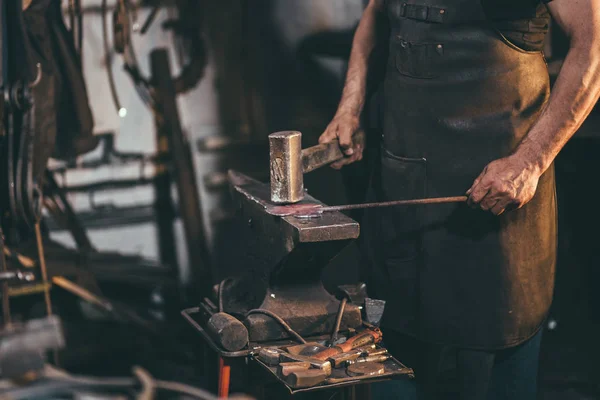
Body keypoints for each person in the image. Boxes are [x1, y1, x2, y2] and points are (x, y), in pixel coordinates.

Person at [319, 0, 600, 399]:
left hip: (498, 197)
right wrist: (351, 104)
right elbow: (377, 13)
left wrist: (529, 162)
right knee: (391, 360)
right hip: (404, 185)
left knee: (490, 370)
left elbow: (593, 49)